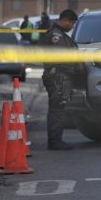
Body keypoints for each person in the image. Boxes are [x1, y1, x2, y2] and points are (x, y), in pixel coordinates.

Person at [40, 9, 81, 150]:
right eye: (72, 24)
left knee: (58, 109)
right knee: (57, 110)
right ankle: (55, 141)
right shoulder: (56, 36)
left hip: (60, 76)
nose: (72, 27)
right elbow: (62, 59)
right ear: (66, 20)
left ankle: (56, 140)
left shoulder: (59, 34)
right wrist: (75, 68)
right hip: (58, 77)